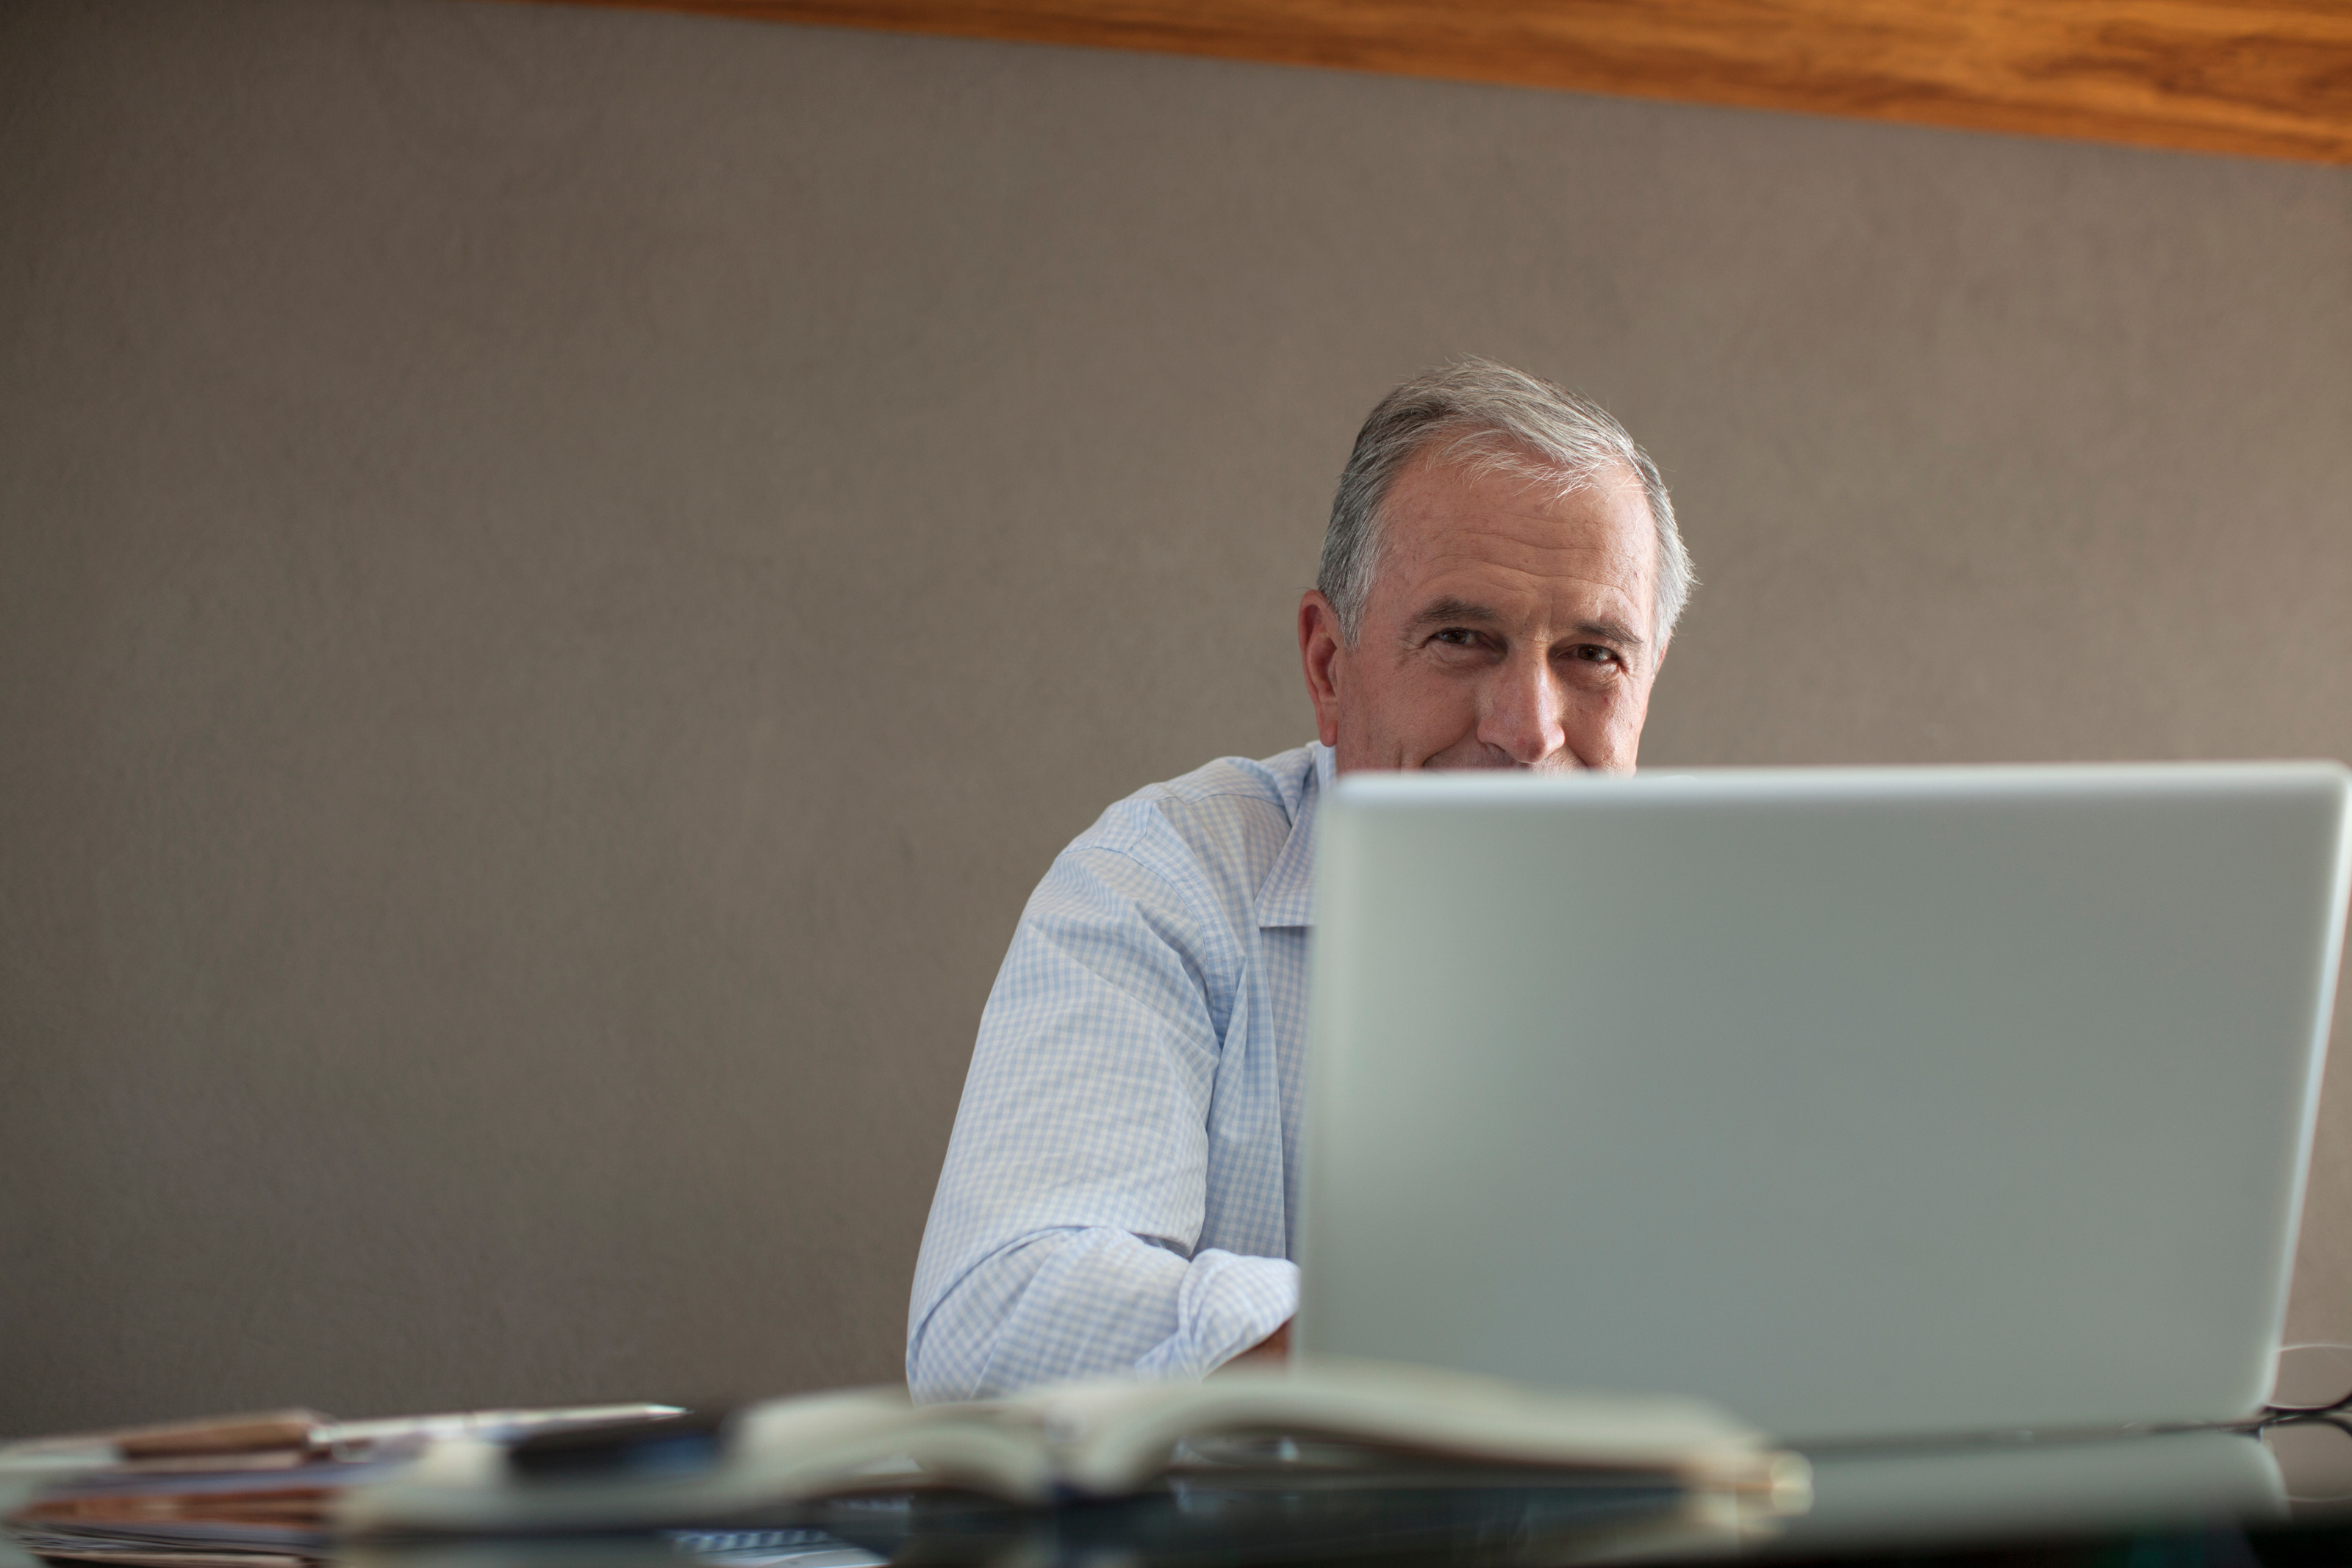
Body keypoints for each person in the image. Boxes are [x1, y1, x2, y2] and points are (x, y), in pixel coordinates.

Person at [906, 359, 1696, 1400]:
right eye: (1463, 638)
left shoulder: (1745, 941)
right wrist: (1452, 1354)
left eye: (1593, 654)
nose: (1530, 728)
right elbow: (995, 1321)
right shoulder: (1161, 885)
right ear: (1330, 666)